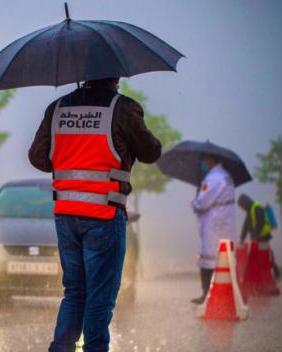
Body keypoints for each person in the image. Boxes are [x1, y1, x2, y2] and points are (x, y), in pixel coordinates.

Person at [29, 77, 161, 352]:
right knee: (100, 297)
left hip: (66, 215)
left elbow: (37, 156)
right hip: (104, 214)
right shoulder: (123, 108)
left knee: (75, 292)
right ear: (115, 77)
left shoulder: (58, 108)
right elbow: (151, 152)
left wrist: (71, 159)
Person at [190, 154, 236, 305]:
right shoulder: (225, 176)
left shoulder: (213, 178)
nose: (203, 163)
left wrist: (195, 202)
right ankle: (219, 295)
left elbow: (202, 203)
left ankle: (207, 295)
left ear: (210, 161)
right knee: (221, 259)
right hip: (223, 222)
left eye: (204, 160)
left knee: (208, 259)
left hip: (214, 224)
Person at [237, 193, 281, 278]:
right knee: (264, 255)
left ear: (244, 203)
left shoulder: (256, 208)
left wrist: (256, 236)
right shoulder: (250, 210)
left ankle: (275, 274)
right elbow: (246, 225)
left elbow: (260, 222)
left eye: (241, 206)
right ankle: (268, 275)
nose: (242, 208)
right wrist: (242, 237)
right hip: (259, 237)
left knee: (266, 255)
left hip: (263, 237)